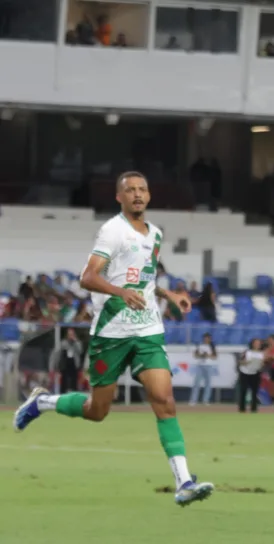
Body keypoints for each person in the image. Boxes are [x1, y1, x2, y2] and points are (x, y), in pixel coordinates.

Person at [13, 171, 213, 506]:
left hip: (147, 329)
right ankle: (43, 402)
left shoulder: (156, 234)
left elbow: (144, 279)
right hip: (112, 332)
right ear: (118, 197)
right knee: (97, 410)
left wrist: (168, 294)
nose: (137, 194)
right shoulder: (112, 230)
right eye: (130, 190)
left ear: (149, 196)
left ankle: (184, 483)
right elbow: (88, 277)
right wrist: (121, 292)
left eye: (142, 189)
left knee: (164, 400)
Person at [237, 338, 264, 413]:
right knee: (244, 390)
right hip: (245, 372)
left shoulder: (261, 353)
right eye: (255, 343)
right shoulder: (247, 352)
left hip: (255, 373)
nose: (257, 345)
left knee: (255, 391)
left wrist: (261, 365)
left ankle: (254, 408)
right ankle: (242, 408)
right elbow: (240, 361)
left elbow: (261, 364)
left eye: (258, 343)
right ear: (252, 344)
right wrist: (245, 362)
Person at [189, 332, 217, 406]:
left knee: (208, 384)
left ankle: (206, 400)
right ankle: (193, 400)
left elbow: (215, 357)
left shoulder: (212, 346)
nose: (206, 339)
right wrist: (201, 355)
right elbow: (195, 355)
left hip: (209, 365)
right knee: (196, 383)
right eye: (205, 338)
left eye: (208, 338)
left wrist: (208, 355)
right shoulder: (200, 346)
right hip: (200, 365)